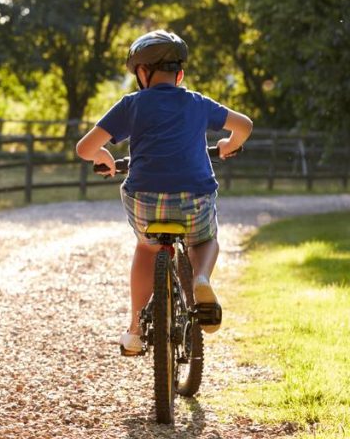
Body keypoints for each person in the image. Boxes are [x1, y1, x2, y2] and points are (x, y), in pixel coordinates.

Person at [75, 29, 253, 356]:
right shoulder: (197, 103)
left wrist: (104, 157)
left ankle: (134, 331)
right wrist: (228, 145)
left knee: (146, 246)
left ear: (142, 73)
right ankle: (201, 279)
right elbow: (244, 125)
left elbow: (85, 147)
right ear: (180, 74)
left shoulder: (132, 105)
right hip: (194, 197)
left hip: (145, 197)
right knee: (204, 239)